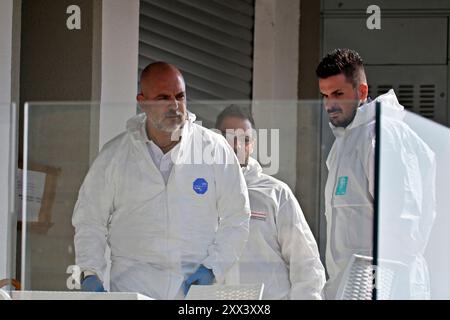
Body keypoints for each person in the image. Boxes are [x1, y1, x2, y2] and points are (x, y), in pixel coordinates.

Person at [72, 62, 251, 299]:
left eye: (180, 96)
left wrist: (212, 267)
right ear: (142, 100)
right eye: (163, 97)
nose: (175, 105)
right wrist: (90, 271)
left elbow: (237, 216)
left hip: (193, 292)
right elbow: (90, 220)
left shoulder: (213, 149)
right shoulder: (115, 155)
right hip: (132, 287)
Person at [316, 48, 436, 299]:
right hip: (352, 288)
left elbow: (403, 227)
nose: (329, 104)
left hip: (383, 288)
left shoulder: (383, 136)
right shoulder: (343, 143)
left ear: (361, 92)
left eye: (338, 93)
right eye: (324, 95)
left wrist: (379, 289)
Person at [215, 105, 326, 299]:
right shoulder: (199, 194)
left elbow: (307, 265)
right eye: (229, 137)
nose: (237, 146)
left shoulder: (276, 194)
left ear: (253, 144)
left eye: (245, 139)